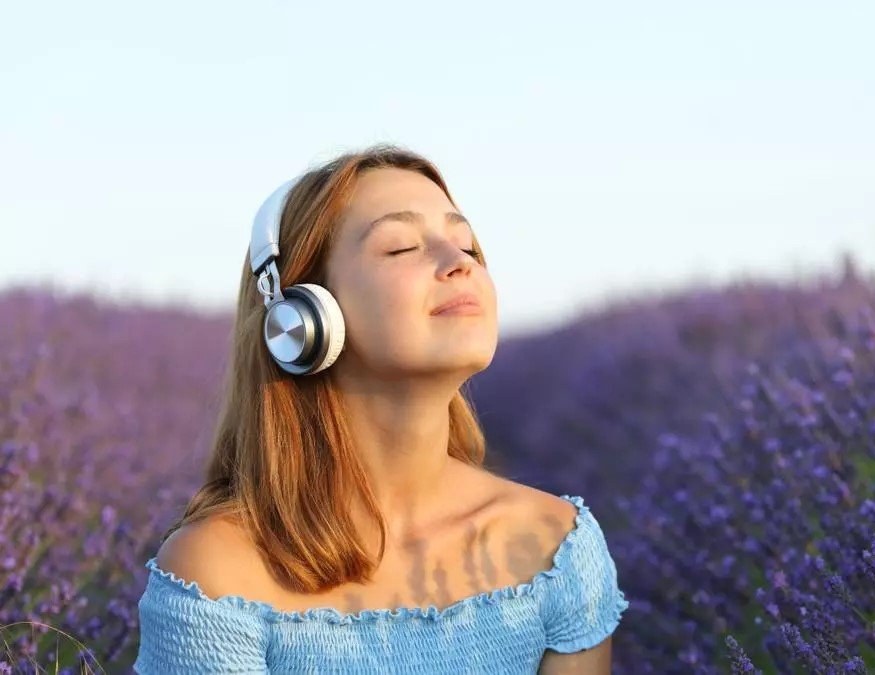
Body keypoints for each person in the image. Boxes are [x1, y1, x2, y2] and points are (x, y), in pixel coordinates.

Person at [132, 143, 629, 673]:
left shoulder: (557, 547)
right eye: (400, 247)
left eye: (467, 246)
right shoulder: (218, 574)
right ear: (300, 320)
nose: (459, 263)